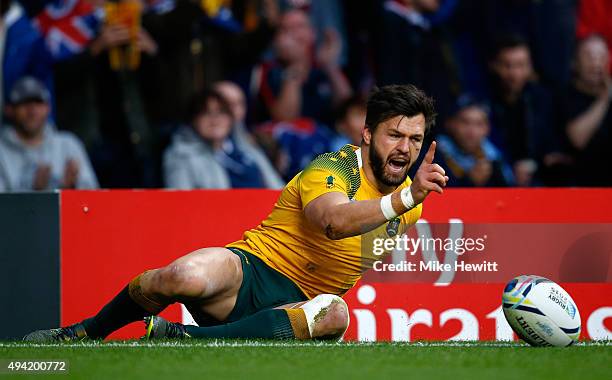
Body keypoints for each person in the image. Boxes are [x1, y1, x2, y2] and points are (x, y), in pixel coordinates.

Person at [24, 84, 448, 342]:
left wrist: (407, 198)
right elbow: (333, 222)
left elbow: (350, 261)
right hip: (252, 270)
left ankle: (190, 339)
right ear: (368, 133)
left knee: (335, 312)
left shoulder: (408, 199)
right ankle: (84, 332)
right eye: (394, 134)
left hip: (299, 308)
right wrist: (407, 198)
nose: (405, 148)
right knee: (181, 277)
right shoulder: (335, 166)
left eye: (414, 138)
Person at [250, 8, 352, 124]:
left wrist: (330, 66)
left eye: (299, 26)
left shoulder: (320, 69)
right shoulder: (267, 71)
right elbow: (285, 119)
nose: (293, 34)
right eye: (286, 29)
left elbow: (348, 108)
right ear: (277, 38)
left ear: (312, 33)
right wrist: (293, 64)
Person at [487, 35, 562, 186]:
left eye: (520, 65)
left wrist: (537, 165)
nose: (514, 73)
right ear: (494, 66)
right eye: (507, 65)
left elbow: (554, 149)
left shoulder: (544, 100)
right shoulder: (484, 101)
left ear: (530, 67)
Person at [0, 76, 98, 191]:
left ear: (48, 108)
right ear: (9, 110)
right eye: (24, 103)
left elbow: (93, 197)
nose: (32, 111)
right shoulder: (1, 151)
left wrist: (70, 190)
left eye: (38, 102)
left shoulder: (68, 144)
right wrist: (34, 191)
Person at [163, 89, 273, 189]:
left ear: (230, 119)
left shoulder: (245, 147)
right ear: (193, 120)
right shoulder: (180, 155)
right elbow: (180, 201)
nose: (214, 119)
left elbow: (275, 185)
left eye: (221, 112)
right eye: (206, 113)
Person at [559, 35, 612, 186]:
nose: (596, 63)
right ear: (575, 62)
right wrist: (604, 99)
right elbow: (577, 139)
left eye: (601, 57)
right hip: (578, 184)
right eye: (589, 56)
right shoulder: (565, 95)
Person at [436, 95, 514, 187]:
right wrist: (469, 181)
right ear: (450, 124)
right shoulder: (435, 154)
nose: (472, 132)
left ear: (487, 129)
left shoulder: (494, 158)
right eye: (465, 122)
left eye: (479, 124)